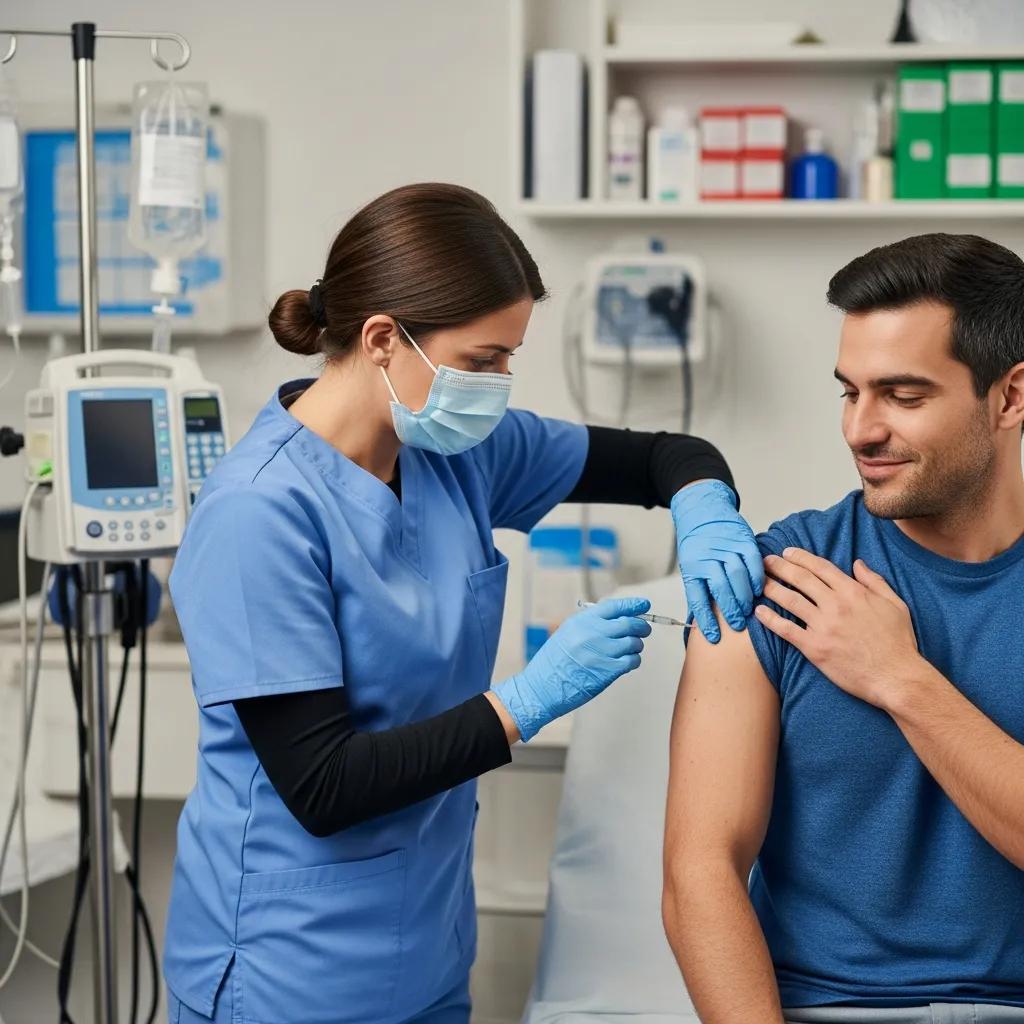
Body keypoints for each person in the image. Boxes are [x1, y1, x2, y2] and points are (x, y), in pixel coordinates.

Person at [163, 182, 763, 1024]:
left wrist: (705, 508)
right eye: (483, 361)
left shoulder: (452, 453)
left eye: (510, 357)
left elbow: (666, 455)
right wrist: (530, 699)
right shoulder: (257, 513)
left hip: (430, 949)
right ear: (383, 339)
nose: (501, 384)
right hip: (289, 968)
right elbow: (324, 785)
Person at [662, 233, 1024, 1024]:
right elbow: (700, 873)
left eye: (903, 396)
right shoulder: (776, 579)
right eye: (849, 392)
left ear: (1010, 397)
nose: (860, 430)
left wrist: (899, 677)